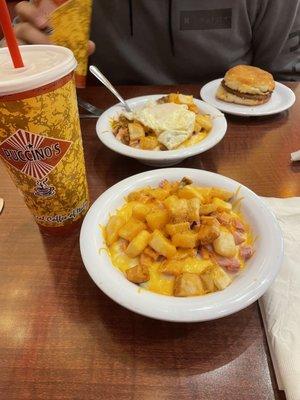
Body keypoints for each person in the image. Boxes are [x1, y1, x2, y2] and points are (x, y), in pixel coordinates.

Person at [3, 0, 300, 84]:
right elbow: (24, 49)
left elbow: (286, 81)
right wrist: (21, 65)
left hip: (235, 145)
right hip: (97, 145)